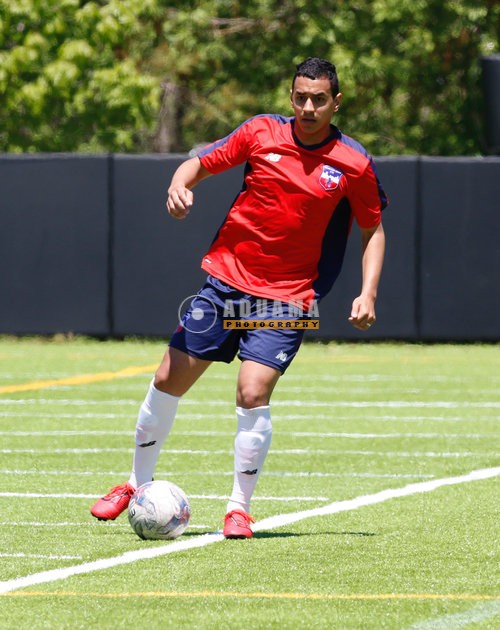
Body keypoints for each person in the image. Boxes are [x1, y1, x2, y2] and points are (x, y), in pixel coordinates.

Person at [90, 57, 388, 538]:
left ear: (336, 102)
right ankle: (135, 484)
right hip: (225, 282)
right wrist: (178, 186)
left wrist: (367, 292)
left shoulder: (353, 162)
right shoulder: (260, 132)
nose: (308, 107)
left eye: (318, 99)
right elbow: (198, 164)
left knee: (252, 391)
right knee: (167, 378)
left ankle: (238, 508)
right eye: (300, 98)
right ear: (290, 97)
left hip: (288, 297)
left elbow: (373, 230)